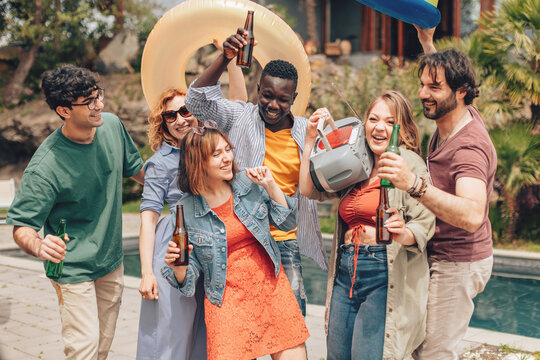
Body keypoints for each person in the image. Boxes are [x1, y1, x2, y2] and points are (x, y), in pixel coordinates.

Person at [185, 29, 328, 316]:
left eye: (283, 99)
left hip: (286, 238)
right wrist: (225, 58)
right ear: (258, 89)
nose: (273, 105)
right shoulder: (240, 116)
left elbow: (322, 187)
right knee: (245, 328)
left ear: (294, 98)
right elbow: (195, 102)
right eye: (267, 95)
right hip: (244, 240)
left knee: (291, 323)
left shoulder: (305, 132)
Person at [6, 64, 144, 359]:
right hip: (71, 267)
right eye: (90, 102)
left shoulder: (113, 127)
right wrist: (40, 245)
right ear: (64, 110)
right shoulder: (46, 166)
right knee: (84, 347)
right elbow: (21, 227)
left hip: (110, 260)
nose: (100, 106)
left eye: (99, 96)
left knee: (103, 344)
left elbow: (139, 172)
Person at [377, 31, 497, 360]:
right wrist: (427, 43)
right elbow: (446, 79)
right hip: (439, 252)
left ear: (460, 93)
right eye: (422, 85)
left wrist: (413, 184)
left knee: (433, 353)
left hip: (458, 261)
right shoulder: (456, 116)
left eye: (434, 87)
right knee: (416, 343)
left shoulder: (469, 148)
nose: (423, 94)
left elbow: (473, 216)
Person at [299, 91, 436, 360]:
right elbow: (308, 189)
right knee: (336, 355)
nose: (379, 127)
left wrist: (402, 232)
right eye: (373, 119)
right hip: (346, 269)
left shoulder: (407, 164)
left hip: (381, 271)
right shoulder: (354, 162)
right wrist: (309, 141)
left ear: (401, 128)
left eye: (389, 121)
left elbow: (424, 224)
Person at [136, 42, 248, 360]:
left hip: (211, 242)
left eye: (185, 110)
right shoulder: (159, 163)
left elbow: (241, 106)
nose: (179, 119)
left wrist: (232, 62)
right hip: (176, 244)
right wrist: (146, 271)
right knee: (170, 336)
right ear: (164, 123)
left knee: (206, 331)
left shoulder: (211, 147)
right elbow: (148, 217)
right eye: (170, 115)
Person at [162, 125, 309, 360]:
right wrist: (179, 268)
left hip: (270, 289)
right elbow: (190, 279)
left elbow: (288, 223)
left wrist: (271, 185)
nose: (227, 158)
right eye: (217, 154)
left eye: (227, 150)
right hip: (226, 300)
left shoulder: (247, 184)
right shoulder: (185, 210)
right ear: (197, 162)